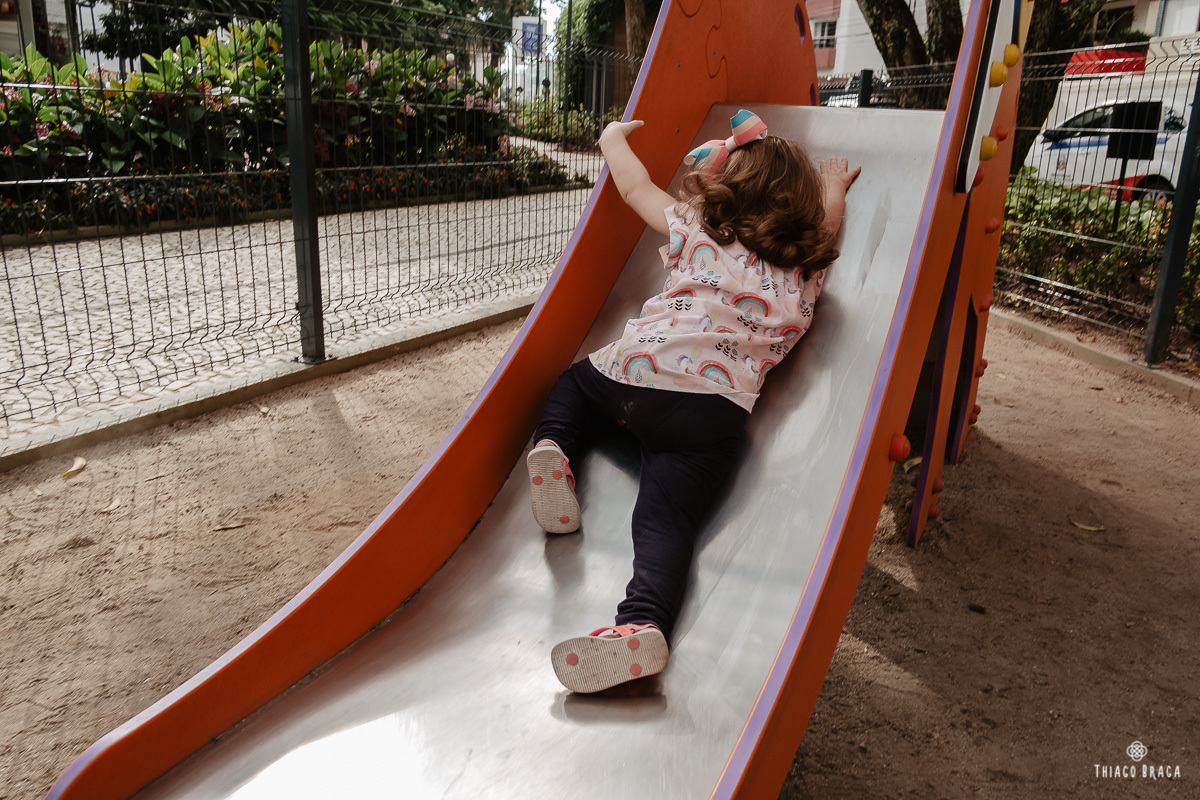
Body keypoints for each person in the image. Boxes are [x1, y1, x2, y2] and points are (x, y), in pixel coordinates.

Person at [527, 109, 861, 693]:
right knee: (665, 521)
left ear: (729, 186)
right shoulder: (804, 271)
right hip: (713, 415)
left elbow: (634, 188)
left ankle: (556, 446)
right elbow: (828, 234)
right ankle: (642, 624)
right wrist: (834, 192)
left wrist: (610, 140)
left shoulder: (700, 228)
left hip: (636, 374)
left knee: (574, 386)